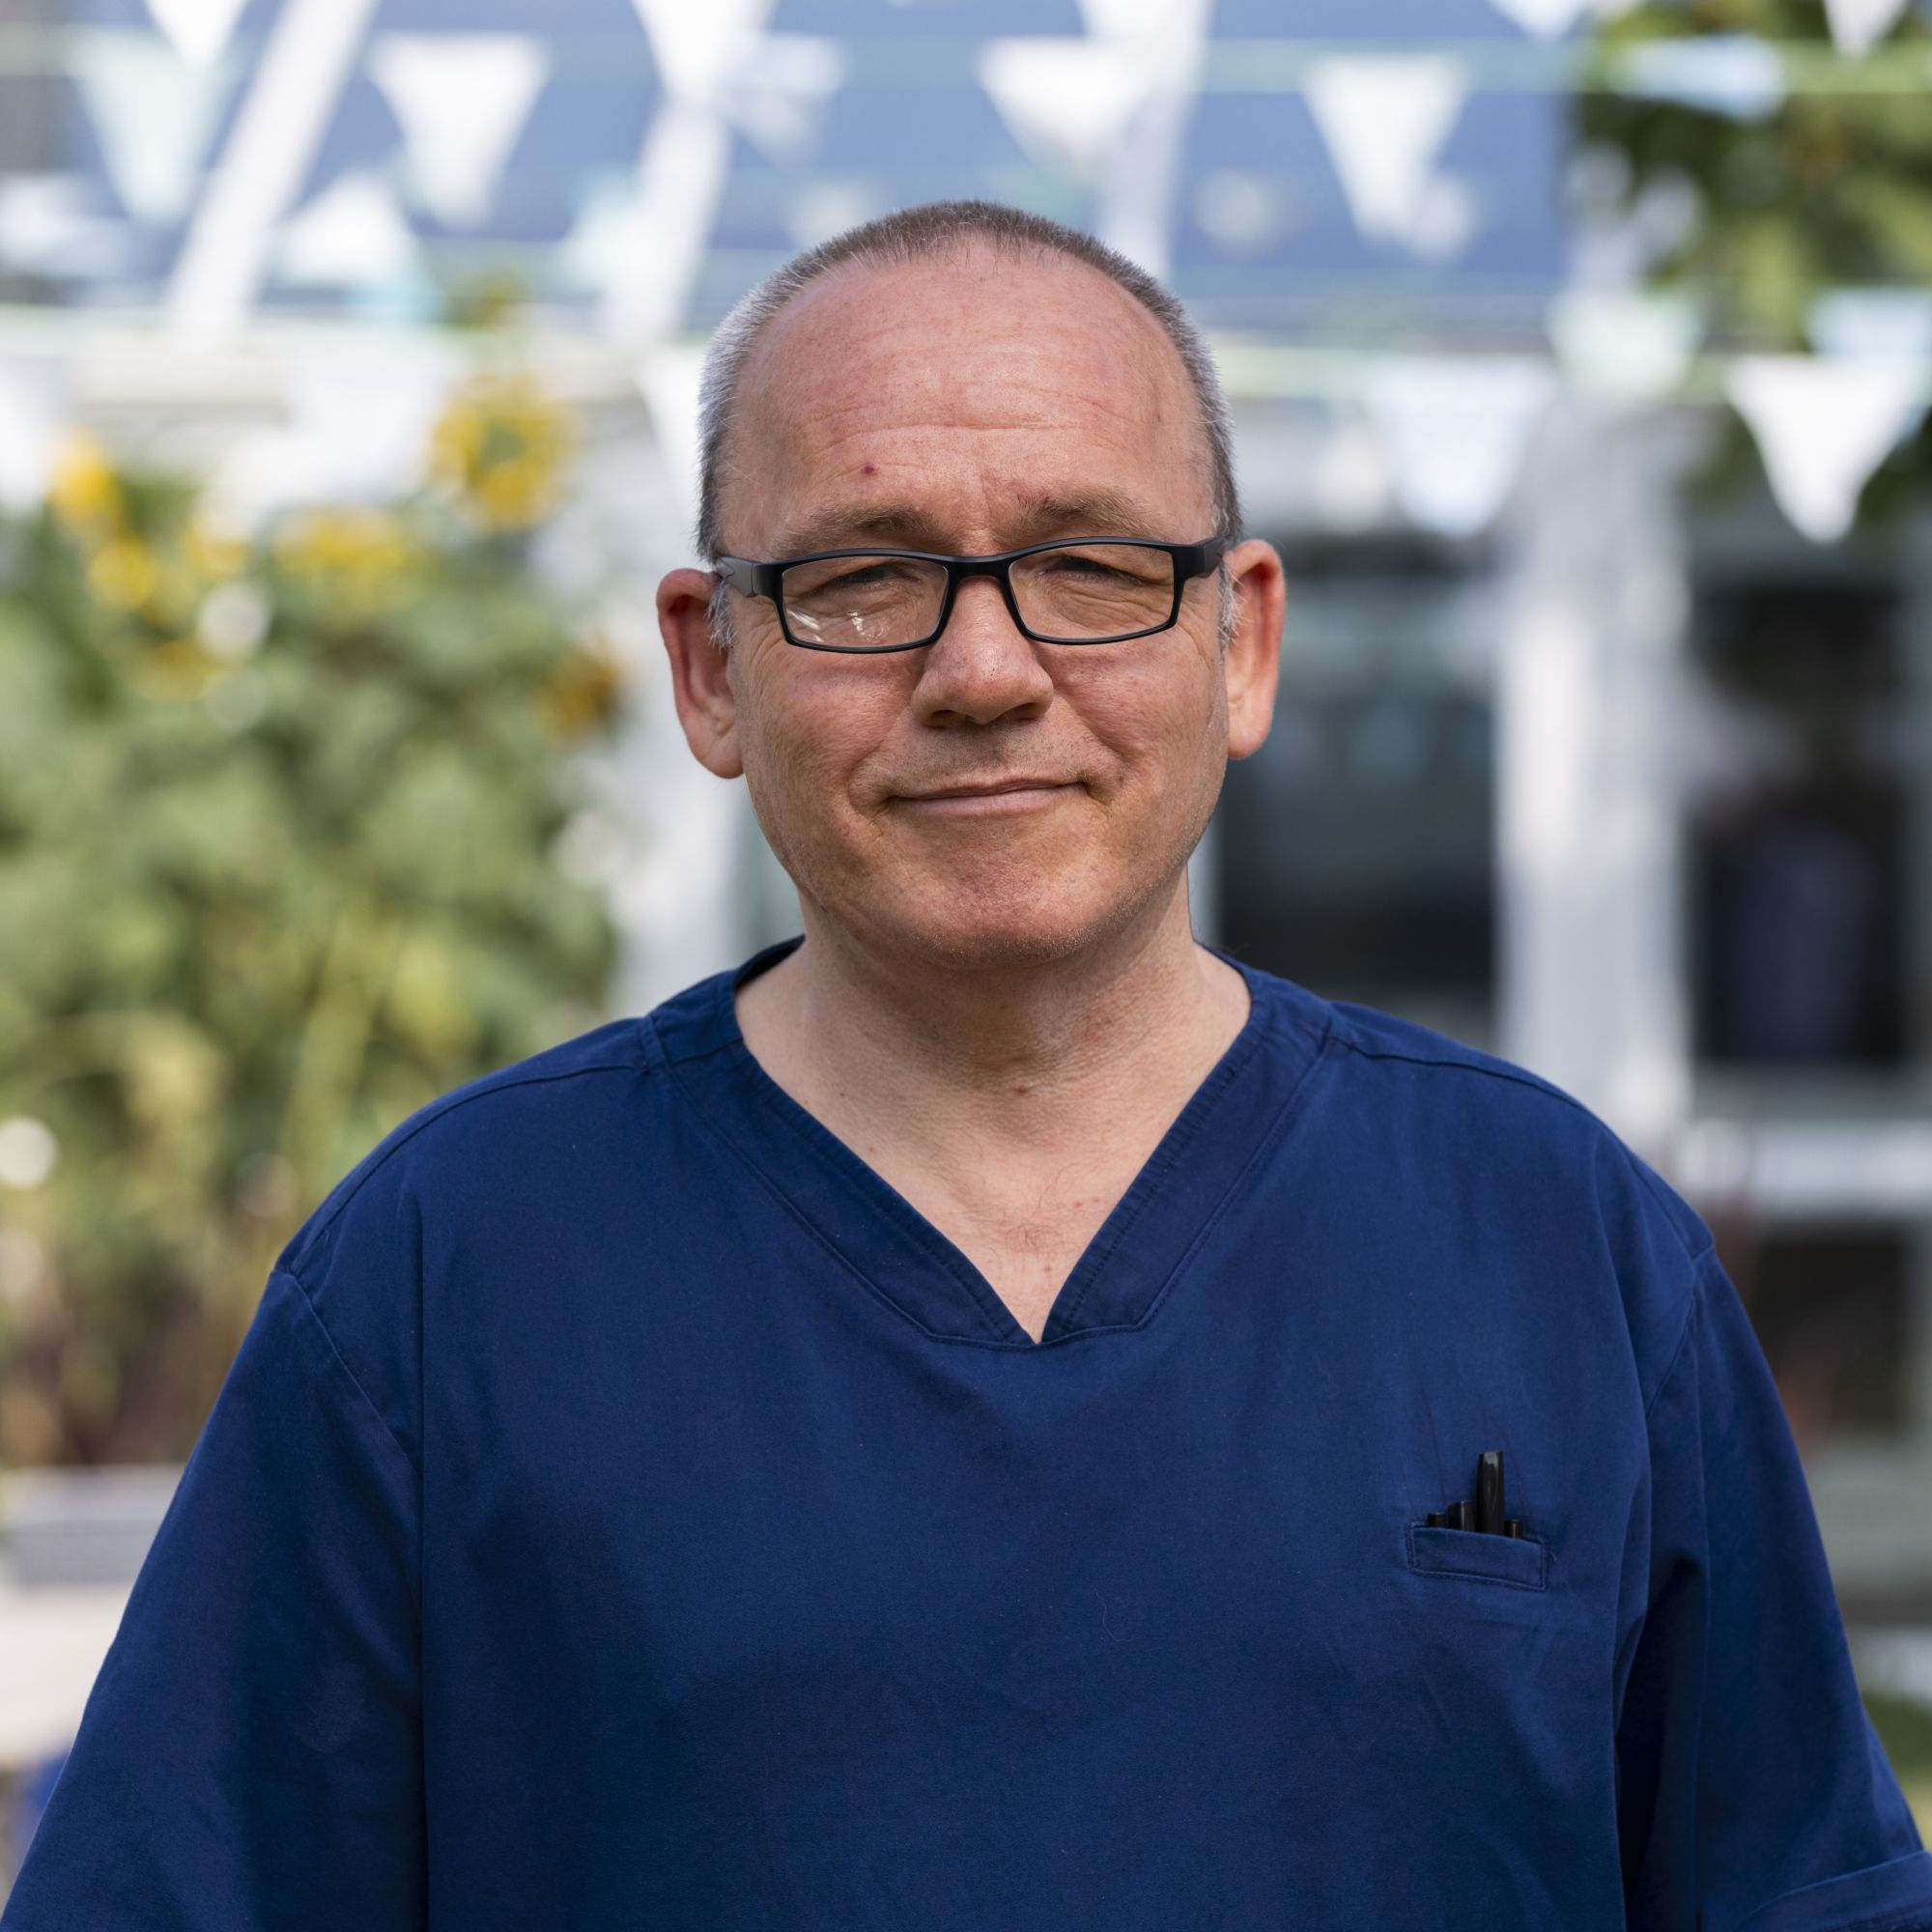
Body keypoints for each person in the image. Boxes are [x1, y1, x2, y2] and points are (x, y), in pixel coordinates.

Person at [5, 200, 1928, 1932]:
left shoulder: (1555, 1245)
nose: (987, 668)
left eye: (1089, 564)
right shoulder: (446, 1280)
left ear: (1239, 643)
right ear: (706, 668)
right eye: (862, 575)